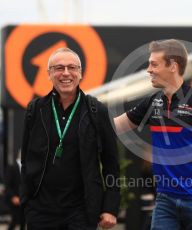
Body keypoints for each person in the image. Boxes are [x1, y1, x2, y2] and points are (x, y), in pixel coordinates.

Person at [113, 39, 192, 230]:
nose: (148, 69)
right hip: (165, 200)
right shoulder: (152, 102)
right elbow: (114, 126)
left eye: (154, 64)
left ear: (173, 66)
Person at [20, 47, 120, 229]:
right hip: (41, 212)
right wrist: (26, 200)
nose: (66, 73)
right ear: (49, 73)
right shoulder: (35, 110)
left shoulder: (96, 111)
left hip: (81, 211)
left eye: (72, 67)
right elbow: (26, 159)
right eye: (59, 68)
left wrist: (110, 207)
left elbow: (111, 163)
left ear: (80, 73)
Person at [4, 150, 25, 230]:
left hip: (23, 199)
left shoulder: (26, 168)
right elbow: (7, 185)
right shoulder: (12, 167)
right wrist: (13, 197)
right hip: (13, 200)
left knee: (23, 221)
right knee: (15, 220)